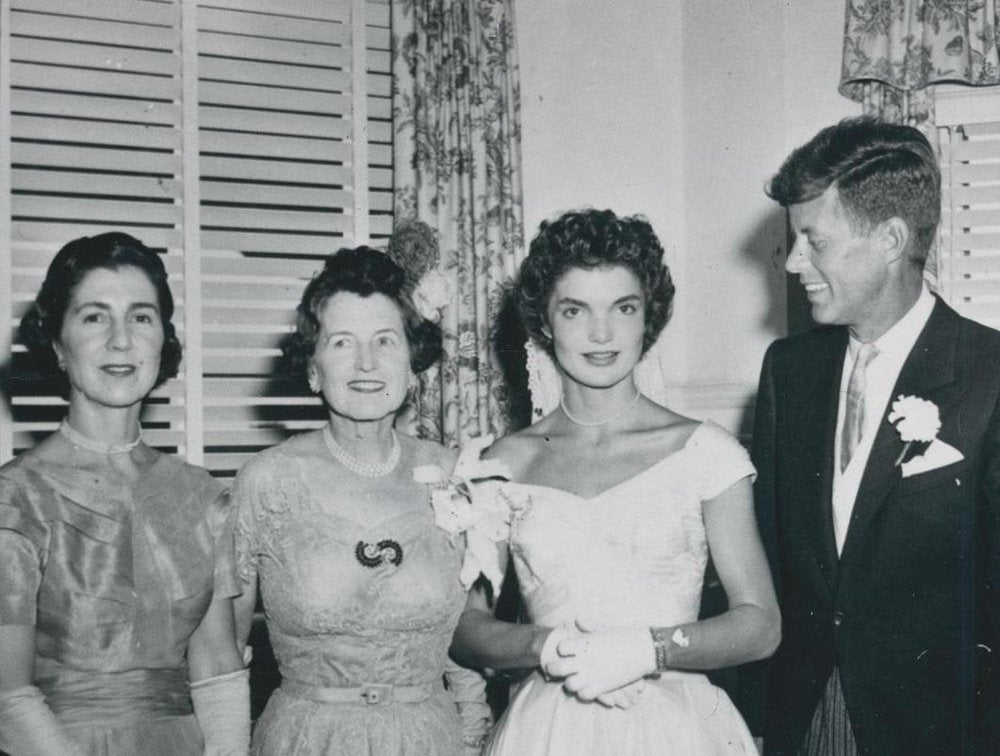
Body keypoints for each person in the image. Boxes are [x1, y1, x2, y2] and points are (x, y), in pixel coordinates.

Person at [450, 208, 781, 755]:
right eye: (575, 310)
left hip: (677, 730)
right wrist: (551, 645)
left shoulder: (705, 453)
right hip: (547, 732)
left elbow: (760, 625)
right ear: (545, 321)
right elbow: (468, 629)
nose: (601, 333)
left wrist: (646, 650)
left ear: (647, 318)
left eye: (622, 308)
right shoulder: (501, 463)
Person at [747, 116, 1000, 755]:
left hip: (942, 730)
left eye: (814, 240)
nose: (794, 261)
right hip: (804, 715)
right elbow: (773, 558)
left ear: (889, 239)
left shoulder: (989, 375)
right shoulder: (788, 370)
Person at [231, 246, 492, 755]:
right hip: (306, 740)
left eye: (385, 341)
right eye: (343, 343)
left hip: (430, 740)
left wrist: (473, 733)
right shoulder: (266, 481)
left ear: (412, 363)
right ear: (312, 368)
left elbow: (468, 637)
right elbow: (225, 646)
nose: (367, 363)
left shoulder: (453, 475)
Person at [0, 232, 249, 755]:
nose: (121, 340)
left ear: (164, 339)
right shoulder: (16, 496)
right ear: (58, 344)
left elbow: (219, 674)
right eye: (94, 316)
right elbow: (8, 697)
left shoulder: (202, 496)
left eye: (141, 316)